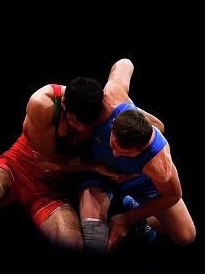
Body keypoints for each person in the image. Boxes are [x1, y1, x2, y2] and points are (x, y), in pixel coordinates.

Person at [0, 77, 126, 253]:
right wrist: (93, 165)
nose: (80, 128)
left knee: (72, 244)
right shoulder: (42, 102)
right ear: (63, 104)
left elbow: (124, 66)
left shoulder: (102, 111)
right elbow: (46, 161)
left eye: (85, 124)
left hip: (51, 189)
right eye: (75, 122)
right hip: (16, 166)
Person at [78, 58, 196, 256]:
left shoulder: (158, 164)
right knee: (95, 241)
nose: (114, 153)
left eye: (123, 153)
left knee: (185, 236)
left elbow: (173, 195)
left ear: (140, 150)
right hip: (100, 173)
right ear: (115, 123)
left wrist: (128, 218)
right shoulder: (112, 98)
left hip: (138, 179)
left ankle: (136, 209)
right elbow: (125, 63)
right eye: (112, 144)